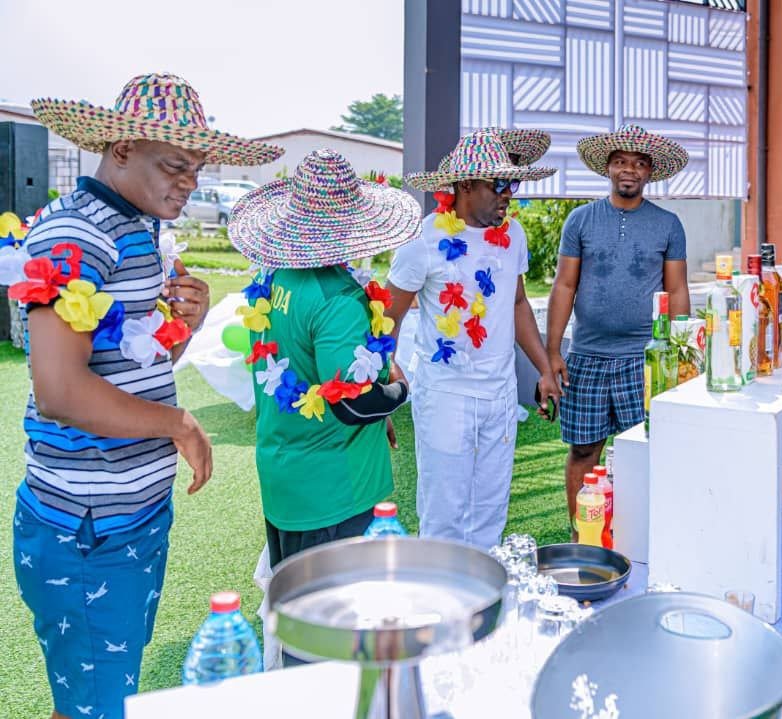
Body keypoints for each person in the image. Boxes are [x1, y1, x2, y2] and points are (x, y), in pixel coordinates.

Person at [10, 73, 282, 719]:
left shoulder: (139, 227)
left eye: (197, 168)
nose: (190, 182)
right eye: (176, 165)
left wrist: (184, 325)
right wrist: (177, 423)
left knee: (101, 693)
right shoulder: (77, 233)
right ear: (123, 148)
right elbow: (59, 389)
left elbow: (139, 364)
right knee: (99, 706)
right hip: (85, 525)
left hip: (128, 515)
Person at [228, 149, 419, 572]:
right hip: (336, 492)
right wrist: (400, 387)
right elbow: (352, 404)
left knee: (296, 602)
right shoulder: (338, 298)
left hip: (285, 478)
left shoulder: (274, 276)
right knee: (332, 611)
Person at [386, 129, 560, 549]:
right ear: (465, 185)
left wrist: (544, 369)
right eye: (498, 184)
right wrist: (383, 375)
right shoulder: (422, 241)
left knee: (490, 512)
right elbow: (388, 316)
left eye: (512, 183)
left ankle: (484, 587)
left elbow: (517, 302)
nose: (508, 194)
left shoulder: (513, 236)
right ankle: (439, 589)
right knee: (444, 514)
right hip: (446, 396)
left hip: (500, 393)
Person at [545, 124, 691, 537]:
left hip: (644, 358)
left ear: (650, 172)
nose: (630, 169)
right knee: (583, 450)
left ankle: (642, 535)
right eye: (621, 162)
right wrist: (553, 352)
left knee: (645, 450)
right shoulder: (581, 220)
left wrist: (681, 353)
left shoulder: (668, 224)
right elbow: (564, 286)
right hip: (587, 356)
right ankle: (583, 536)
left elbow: (677, 290)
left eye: (639, 163)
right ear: (607, 168)